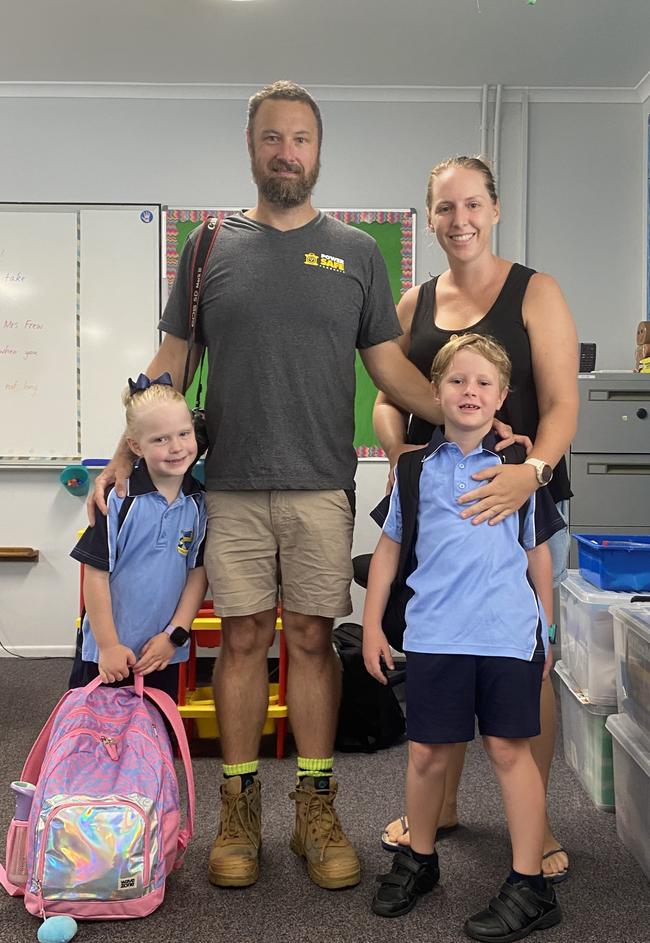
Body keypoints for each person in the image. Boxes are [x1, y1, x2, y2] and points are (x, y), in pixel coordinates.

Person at [88, 81, 442, 892]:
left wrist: (468, 423)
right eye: (274, 138)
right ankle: (239, 809)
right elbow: (170, 362)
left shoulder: (357, 252)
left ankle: (315, 807)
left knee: (314, 642)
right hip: (235, 487)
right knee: (243, 641)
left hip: (322, 484)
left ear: (319, 152)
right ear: (252, 148)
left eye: (303, 140)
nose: (288, 153)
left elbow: (391, 370)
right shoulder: (210, 247)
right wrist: (121, 453)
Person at [375, 155, 579, 882]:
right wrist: (404, 456)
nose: (458, 220)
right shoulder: (412, 303)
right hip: (442, 502)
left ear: (493, 209)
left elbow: (560, 404)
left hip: (519, 495)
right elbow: (385, 394)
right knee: (445, 648)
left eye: (471, 205)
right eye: (443, 208)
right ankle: (444, 807)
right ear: (429, 218)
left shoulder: (535, 292)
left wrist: (532, 474)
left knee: (522, 654)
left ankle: (541, 818)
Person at [364, 333, 564, 942]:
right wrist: (372, 624)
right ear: (436, 392)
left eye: (483, 383)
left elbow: (538, 556)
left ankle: (530, 884)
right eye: (456, 381)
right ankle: (418, 860)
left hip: (506, 633)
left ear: (502, 396)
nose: (469, 391)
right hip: (435, 635)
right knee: (427, 751)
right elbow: (390, 549)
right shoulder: (414, 468)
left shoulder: (521, 470)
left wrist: (546, 630)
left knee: (510, 750)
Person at [70, 373, 207, 700]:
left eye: (184, 434)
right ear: (135, 446)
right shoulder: (116, 499)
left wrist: (174, 636)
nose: (176, 447)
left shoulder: (199, 503)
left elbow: (197, 574)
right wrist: (109, 646)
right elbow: (96, 576)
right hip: (106, 654)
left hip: (159, 653)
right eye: (160, 440)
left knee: (154, 737)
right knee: (94, 740)